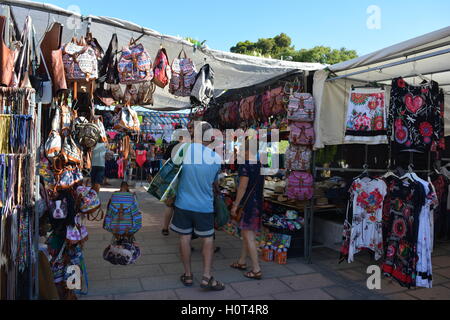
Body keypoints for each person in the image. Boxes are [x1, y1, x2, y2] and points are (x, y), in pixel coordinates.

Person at [170, 121, 225, 291]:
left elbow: (173, 175)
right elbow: (215, 183)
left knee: (184, 238)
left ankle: (187, 275)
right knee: (208, 239)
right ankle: (207, 277)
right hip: (204, 206)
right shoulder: (216, 158)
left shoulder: (183, 150)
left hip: (183, 204)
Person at [230, 138, 265, 280]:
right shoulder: (259, 164)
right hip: (257, 203)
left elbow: (243, 187)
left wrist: (235, 205)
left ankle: (256, 269)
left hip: (248, 205)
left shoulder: (245, 165)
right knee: (246, 234)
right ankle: (242, 261)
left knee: (248, 236)